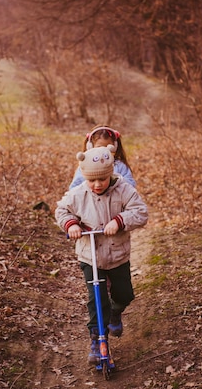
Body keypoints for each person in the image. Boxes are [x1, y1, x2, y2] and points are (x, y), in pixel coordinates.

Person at [55, 145, 148, 365]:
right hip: (90, 256)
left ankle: (116, 312)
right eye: (92, 181)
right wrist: (71, 225)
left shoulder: (124, 189)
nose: (97, 185)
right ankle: (97, 339)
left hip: (117, 254)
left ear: (110, 175)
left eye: (102, 180)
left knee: (125, 294)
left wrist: (120, 221)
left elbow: (141, 212)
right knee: (96, 298)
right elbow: (61, 210)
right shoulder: (79, 193)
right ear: (85, 178)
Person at [69, 125, 136, 189]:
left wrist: (114, 181)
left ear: (114, 147)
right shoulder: (85, 166)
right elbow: (74, 188)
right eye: (99, 148)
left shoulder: (120, 166)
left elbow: (131, 185)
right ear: (90, 147)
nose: (104, 152)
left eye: (107, 148)